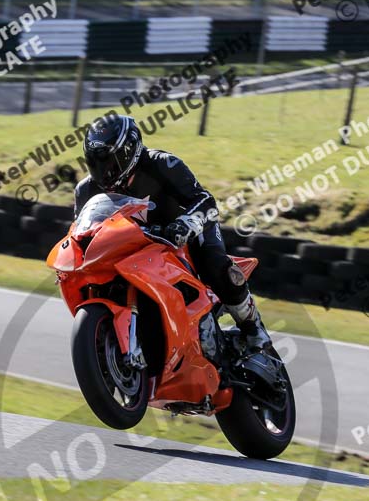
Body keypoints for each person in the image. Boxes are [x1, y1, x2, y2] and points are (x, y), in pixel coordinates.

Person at [74, 114, 271, 350]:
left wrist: (185, 224)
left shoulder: (163, 165)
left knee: (215, 267)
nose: (103, 170)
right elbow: (81, 231)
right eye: (95, 162)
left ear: (129, 151)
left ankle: (254, 330)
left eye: (109, 160)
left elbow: (205, 201)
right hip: (131, 248)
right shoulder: (85, 190)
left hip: (180, 238)